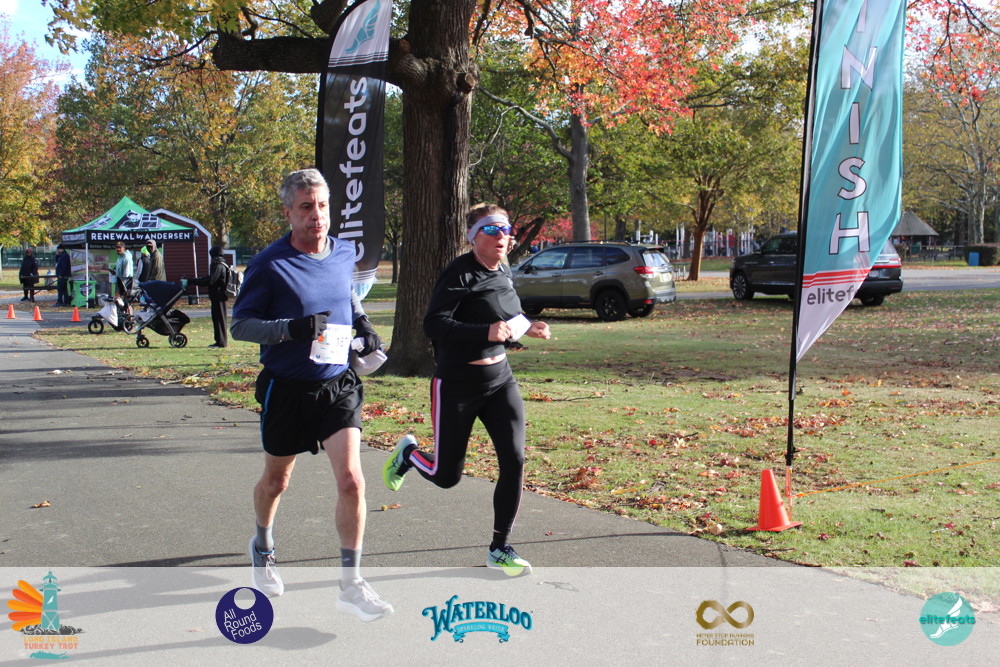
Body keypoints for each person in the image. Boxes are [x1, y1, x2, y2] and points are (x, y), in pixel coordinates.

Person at [230, 168, 391, 621]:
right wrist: (291, 329)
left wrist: (363, 323)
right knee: (277, 482)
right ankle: (263, 544)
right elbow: (241, 324)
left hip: (338, 384)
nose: (316, 215)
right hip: (287, 388)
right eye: (305, 207)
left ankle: (351, 583)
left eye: (321, 205)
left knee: (352, 480)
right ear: (288, 213)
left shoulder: (343, 252)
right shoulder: (269, 264)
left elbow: (347, 294)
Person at [382, 203, 551, 576]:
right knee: (446, 476)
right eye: (491, 229)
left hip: (500, 381)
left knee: (515, 460)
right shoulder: (459, 273)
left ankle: (499, 547)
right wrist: (484, 332)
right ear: (473, 237)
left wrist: (528, 327)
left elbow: (506, 313)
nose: (502, 236)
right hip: (457, 384)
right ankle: (409, 453)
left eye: (506, 229)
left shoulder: (503, 270)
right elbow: (434, 324)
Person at [188, 246, 230, 348]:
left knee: (219, 319)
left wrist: (193, 281)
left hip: (218, 296)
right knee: (218, 318)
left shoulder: (218, 266)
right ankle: (220, 341)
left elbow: (210, 280)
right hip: (219, 296)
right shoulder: (221, 264)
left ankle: (221, 342)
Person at [112, 242, 134, 315]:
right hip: (120, 282)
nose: (118, 249)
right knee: (122, 303)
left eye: (120, 248)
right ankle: (124, 318)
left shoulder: (126, 258)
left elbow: (126, 275)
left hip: (124, 284)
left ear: (124, 248)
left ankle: (130, 319)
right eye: (117, 247)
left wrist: (120, 290)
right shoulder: (120, 257)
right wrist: (115, 272)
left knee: (126, 302)